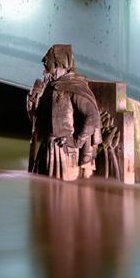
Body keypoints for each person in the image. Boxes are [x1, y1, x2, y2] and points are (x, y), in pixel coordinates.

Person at [27, 44, 101, 181]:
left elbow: (92, 116)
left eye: (47, 63)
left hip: (64, 152)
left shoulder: (74, 87)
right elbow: (37, 122)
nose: (44, 69)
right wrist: (32, 99)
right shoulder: (49, 87)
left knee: (63, 197)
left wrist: (76, 141)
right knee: (45, 198)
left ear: (58, 63)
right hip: (45, 150)